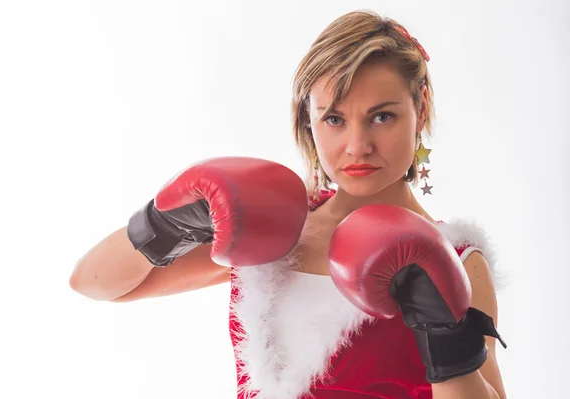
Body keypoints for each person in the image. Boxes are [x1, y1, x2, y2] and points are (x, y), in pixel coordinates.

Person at [69, 9, 507, 399]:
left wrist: (445, 335)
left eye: (382, 116)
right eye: (334, 119)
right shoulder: (277, 230)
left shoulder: (456, 260)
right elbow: (93, 283)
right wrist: (164, 222)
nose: (357, 146)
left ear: (421, 110)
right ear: (309, 121)